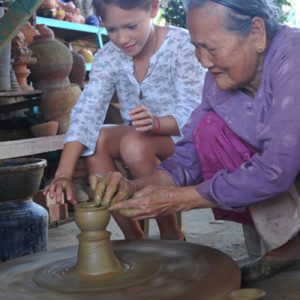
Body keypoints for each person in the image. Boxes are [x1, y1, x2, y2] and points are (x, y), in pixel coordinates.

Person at [89, 0, 300, 283]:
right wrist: (136, 187)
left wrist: (180, 200)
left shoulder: (293, 59)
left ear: (257, 33)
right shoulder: (219, 78)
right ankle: (286, 247)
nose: (202, 60)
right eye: (196, 47)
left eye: (210, 48)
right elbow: (190, 153)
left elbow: (277, 168)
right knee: (209, 130)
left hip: (286, 169)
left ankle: (290, 250)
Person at [44, 0, 205, 240]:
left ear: (153, 9)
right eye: (112, 29)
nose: (121, 39)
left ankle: (171, 234)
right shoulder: (109, 57)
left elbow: (196, 114)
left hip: (186, 139)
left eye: (131, 26)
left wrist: (157, 123)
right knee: (95, 141)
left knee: (135, 144)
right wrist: (63, 174)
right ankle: (134, 238)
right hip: (139, 134)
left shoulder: (182, 45)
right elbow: (87, 112)